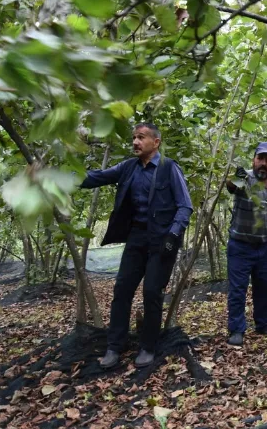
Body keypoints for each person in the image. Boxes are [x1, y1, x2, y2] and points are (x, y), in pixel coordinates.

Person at [81, 123, 193, 369]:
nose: (135, 142)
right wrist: (59, 178)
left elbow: (185, 206)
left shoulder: (169, 168)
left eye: (141, 137)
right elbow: (95, 177)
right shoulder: (128, 167)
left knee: (152, 292)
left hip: (162, 240)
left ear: (156, 142)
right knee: (122, 289)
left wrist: (172, 235)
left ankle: (148, 346)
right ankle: (114, 346)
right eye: (134, 137)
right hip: (137, 237)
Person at [226, 142, 267, 347]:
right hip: (240, 245)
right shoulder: (245, 179)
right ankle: (236, 329)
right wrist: (235, 178)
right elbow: (231, 187)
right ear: (254, 160)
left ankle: (263, 324)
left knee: (265, 288)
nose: (263, 163)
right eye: (260, 158)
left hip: (264, 246)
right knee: (238, 289)